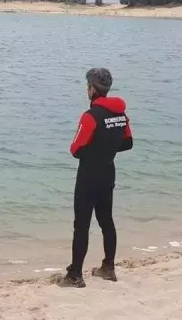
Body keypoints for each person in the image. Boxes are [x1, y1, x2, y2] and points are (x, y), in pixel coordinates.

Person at [58, 68, 134, 288]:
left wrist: (95, 149)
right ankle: (108, 268)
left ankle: (75, 275)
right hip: (108, 173)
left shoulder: (90, 116)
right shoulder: (121, 115)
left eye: (87, 86)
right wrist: (106, 148)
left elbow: (76, 149)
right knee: (106, 221)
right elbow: (128, 143)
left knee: (81, 226)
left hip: (88, 176)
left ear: (92, 88)